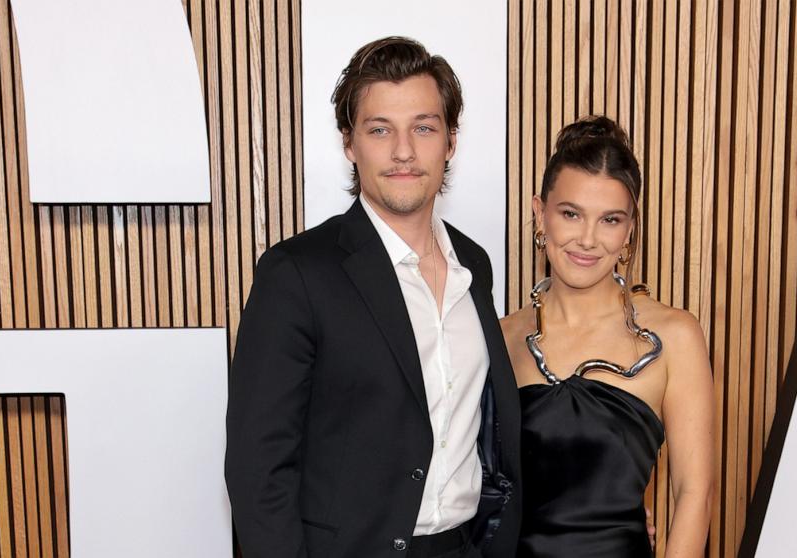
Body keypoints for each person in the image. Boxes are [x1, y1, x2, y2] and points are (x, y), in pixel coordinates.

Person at [225, 37, 521, 558]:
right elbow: (258, 469)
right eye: (380, 129)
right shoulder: (296, 273)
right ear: (349, 143)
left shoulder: (473, 265)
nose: (403, 151)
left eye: (423, 128)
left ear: (450, 141)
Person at [500, 116, 714, 557]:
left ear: (631, 227)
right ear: (541, 214)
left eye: (610, 219)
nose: (588, 239)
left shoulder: (675, 336)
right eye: (571, 214)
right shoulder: (501, 336)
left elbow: (695, 492)